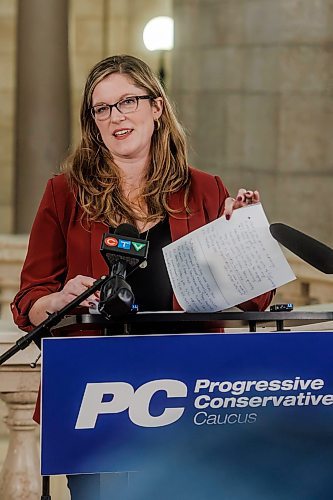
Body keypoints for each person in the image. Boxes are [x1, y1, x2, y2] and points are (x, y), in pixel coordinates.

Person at [11, 54, 274, 499]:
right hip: (96, 399)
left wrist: (245, 237)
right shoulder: (64, 193)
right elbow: (28, 299)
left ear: (156, 107)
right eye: (103, 108)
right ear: (93, 122)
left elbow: (256, 302)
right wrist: (57, 301)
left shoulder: (206, 190)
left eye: (128, 101)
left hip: (189, 395)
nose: (117, 117)